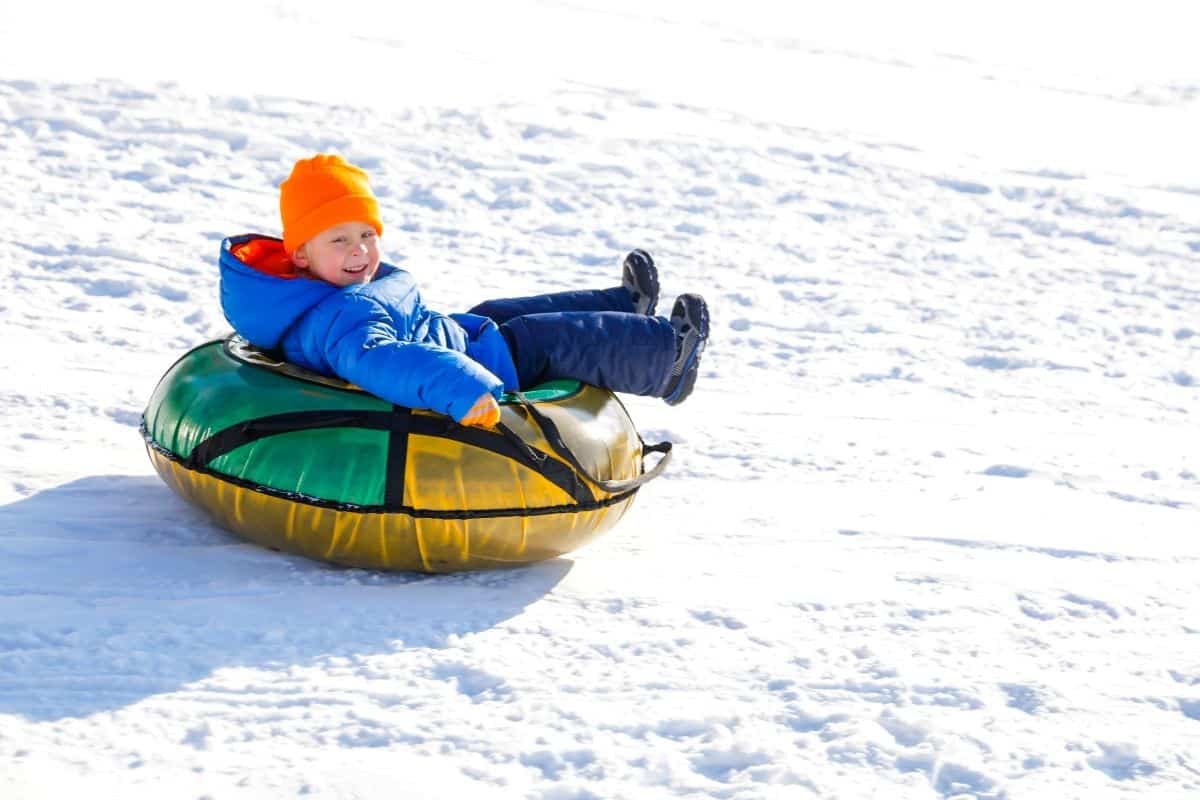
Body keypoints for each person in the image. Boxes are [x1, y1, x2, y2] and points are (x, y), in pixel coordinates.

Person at [219, 154, 709, 428]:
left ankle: (624, 308)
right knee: (548, 339)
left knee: (496, 312)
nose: (359, 251)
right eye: (339, 240)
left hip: (450, 335)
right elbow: (382, 360)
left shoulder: (317, 293)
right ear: (301, 254)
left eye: (367, 234)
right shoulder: (342, 318)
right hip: (476, 365)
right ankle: (666, 361)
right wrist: (462, 390)